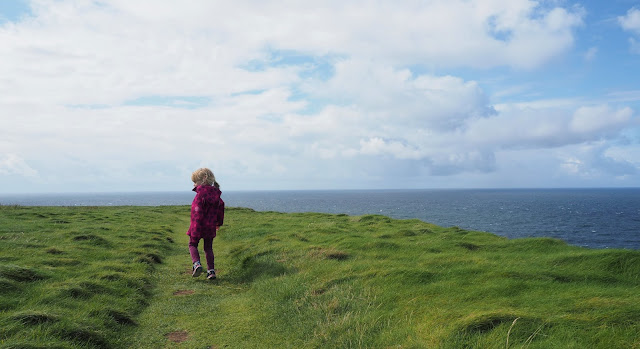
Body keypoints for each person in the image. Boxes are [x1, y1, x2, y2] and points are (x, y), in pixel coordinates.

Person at [187, 168, 225, 280]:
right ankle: (211, 271)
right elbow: (220, 210)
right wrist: (218, 223)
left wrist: (194, 227)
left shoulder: (200, 195)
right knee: (208, 248)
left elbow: (196, 211)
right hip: (210, 226)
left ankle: (197, 264)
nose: (194, 184)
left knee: (192, 244)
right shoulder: (217, 196)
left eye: (195, 181)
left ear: (203, 180)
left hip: (197, 225)